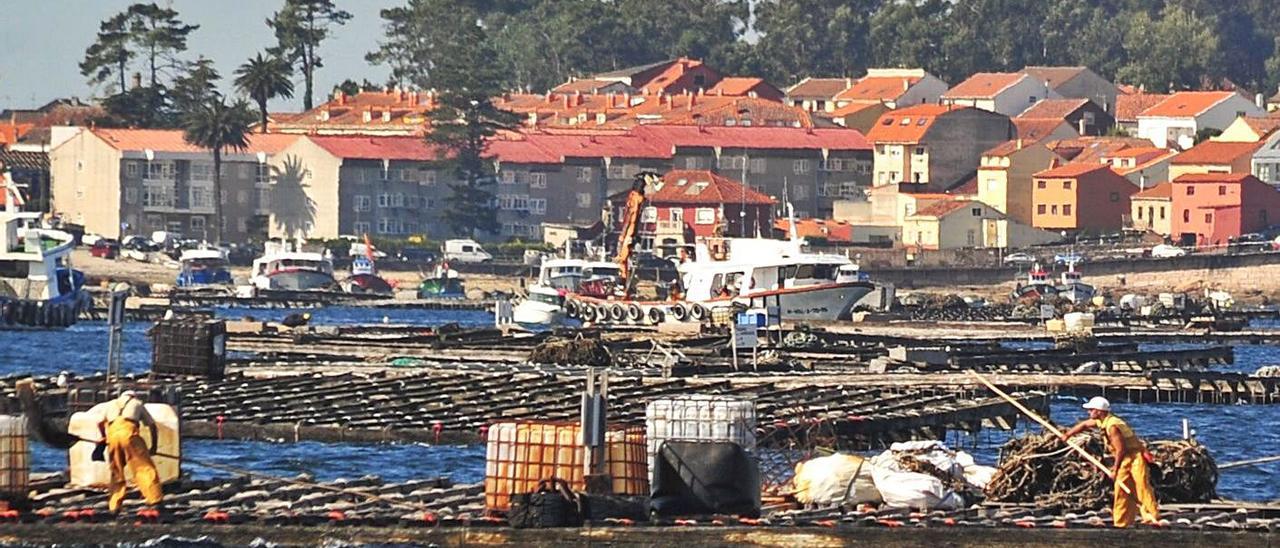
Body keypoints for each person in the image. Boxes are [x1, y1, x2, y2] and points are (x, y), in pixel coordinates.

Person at [1060, 397, 1159, 527]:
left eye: (1091, 410)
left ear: (1099, 411)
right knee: (1121, 489)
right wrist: (1068, 435)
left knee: (1141, 486)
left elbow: (1121, 450)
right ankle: (1122, 522)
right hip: (1124, 458)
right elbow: (1083, 425)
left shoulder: (1112, 426)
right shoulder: (1102, 421)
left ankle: (1151, 516)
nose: (1088, 412)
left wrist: (1115, 469)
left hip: (1134, 457)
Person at [99, 390, 163, 513]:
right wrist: (154, 446)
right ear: (133, 396)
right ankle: (154, 499)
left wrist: (104, 437)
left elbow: (100, 423)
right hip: (129, 435)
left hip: (113, 436)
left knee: (116, 470)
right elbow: (152, 426)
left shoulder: (111, 404)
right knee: (143, 468)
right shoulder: (137, 403)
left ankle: (114, 505)